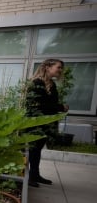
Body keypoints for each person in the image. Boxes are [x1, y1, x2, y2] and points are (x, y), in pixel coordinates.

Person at [25, 59, 68, 187]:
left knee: (37, 150)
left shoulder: (52, 84)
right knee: (33, 150)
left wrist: (57, 108)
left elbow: (51, 104)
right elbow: (39, 106)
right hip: (35, 123)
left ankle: (35, 174)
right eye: (58, 67)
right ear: (48, 67)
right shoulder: (36, 83)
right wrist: (61, 107)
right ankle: (29, 177)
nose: (60, 70)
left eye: (61, 68)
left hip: (46, 123)